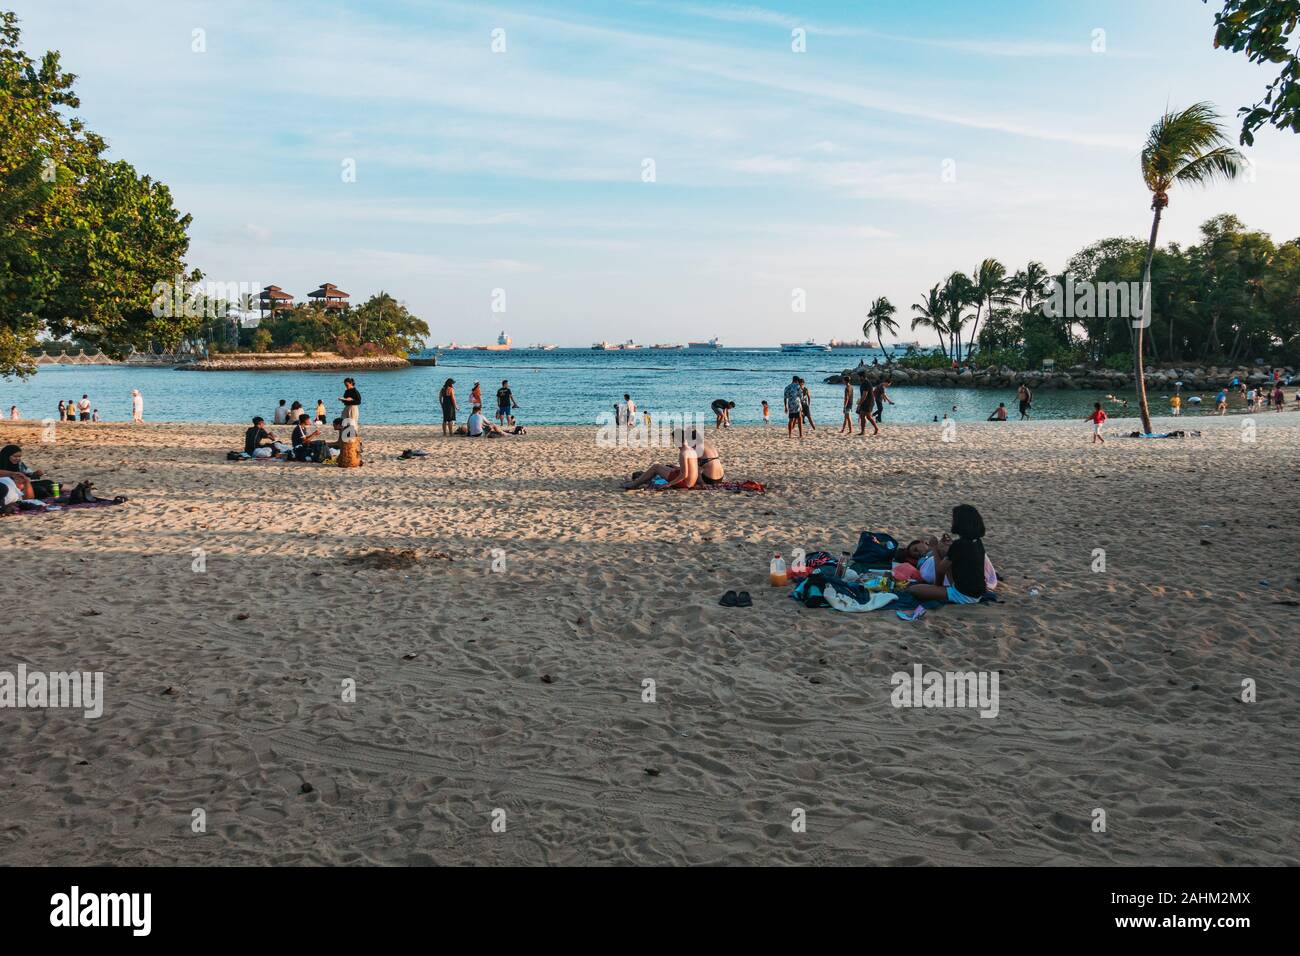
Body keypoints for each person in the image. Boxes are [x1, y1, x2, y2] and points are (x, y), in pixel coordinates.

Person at [901, 505, 989, 605]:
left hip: (964, 595)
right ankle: (942, 590)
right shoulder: (977, 541)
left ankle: (942, 591)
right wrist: (947, 547)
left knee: (914, 589)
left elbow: (940, 570)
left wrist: (934, 548)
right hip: (976, 592)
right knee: (945, 556)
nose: (952, 522)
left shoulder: (959, 544)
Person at [622, 428, 698, 490]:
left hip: (685, 483)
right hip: (691, 482)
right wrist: (675, 468)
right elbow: (690, 470)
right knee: (666, 467)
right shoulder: (691, 450)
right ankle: (637, 481)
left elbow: (684, 474)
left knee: (656, 467)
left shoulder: (683, 453)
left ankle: (634, 484)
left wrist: (668, 484)